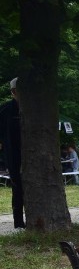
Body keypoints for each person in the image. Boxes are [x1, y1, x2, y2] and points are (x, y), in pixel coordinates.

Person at [0, 77, 24, 229]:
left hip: (32, 155)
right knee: (18, 187)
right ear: (14, 92)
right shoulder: (5, 110)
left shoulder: (34, 109)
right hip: (13, 154)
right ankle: (19, 223)